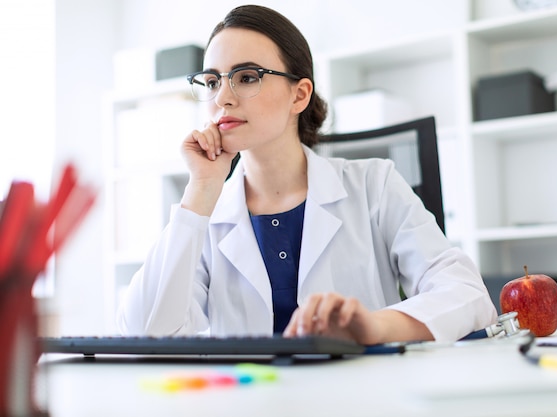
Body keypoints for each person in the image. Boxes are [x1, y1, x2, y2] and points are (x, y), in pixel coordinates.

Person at [116, 4, 496, 344]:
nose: (223, 98)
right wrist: (200, 190)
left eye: (247, 77)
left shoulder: (374, 184)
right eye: (213, 81)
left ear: (299, 95)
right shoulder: (205, 213)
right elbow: (144, 332)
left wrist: (374, 328)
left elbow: (467, 294)